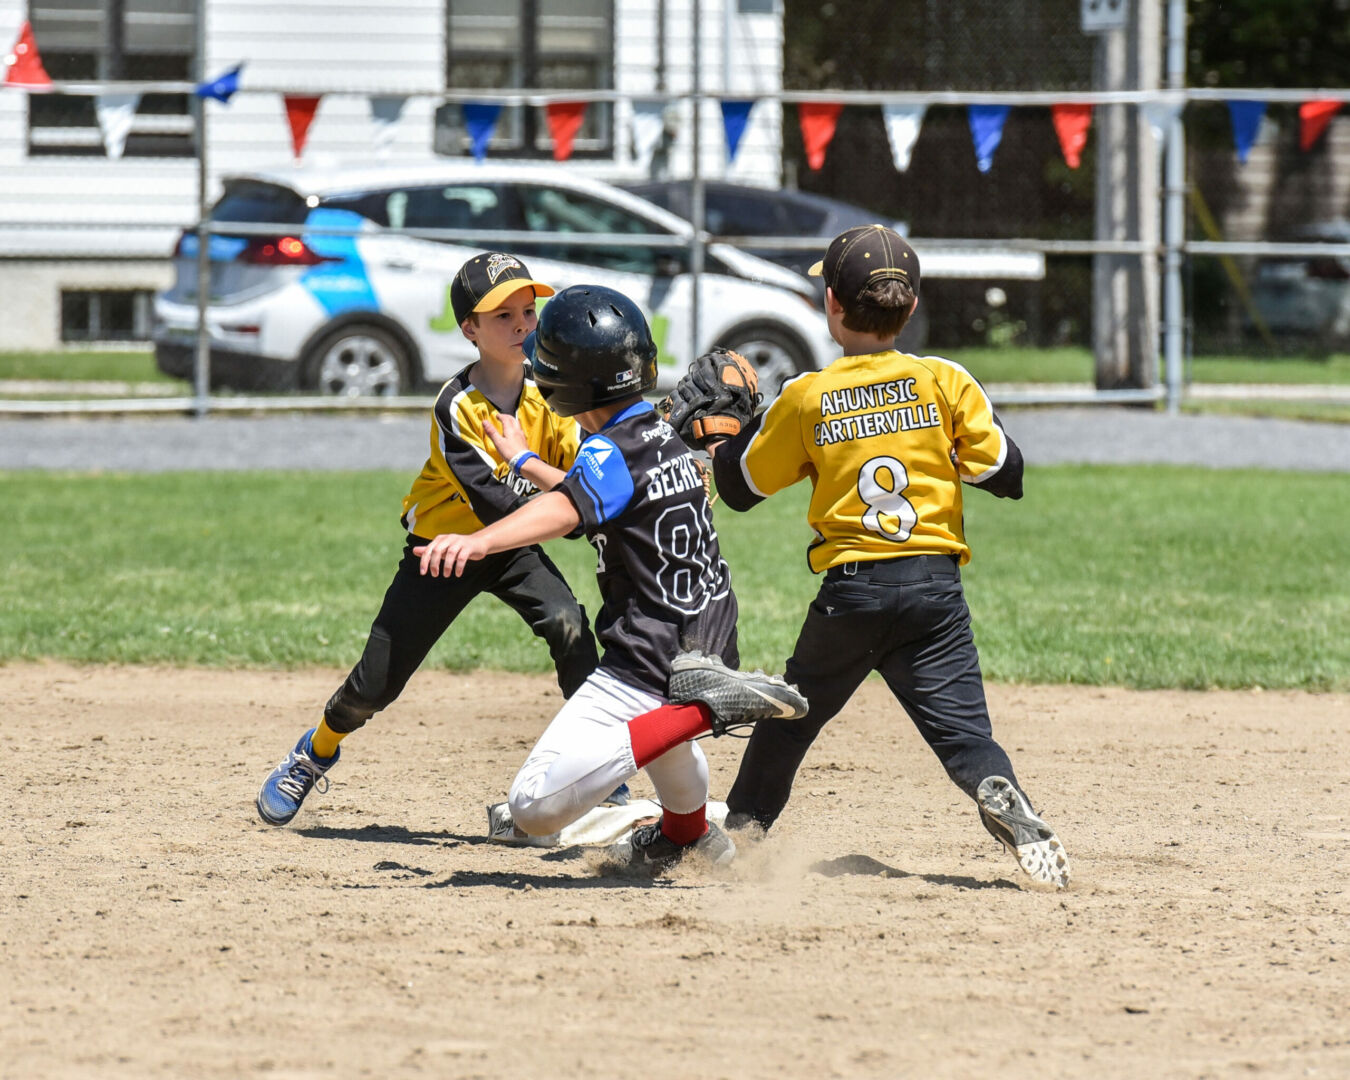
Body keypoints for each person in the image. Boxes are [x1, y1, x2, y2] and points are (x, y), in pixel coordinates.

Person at [692, 224, 1071, 888]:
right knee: (964, 734)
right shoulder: (945, 380)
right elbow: (1007, 473)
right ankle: (1000, 792)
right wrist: (948, 445)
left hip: (853, 593)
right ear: (913, 306)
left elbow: (740, 488)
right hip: (934, 591)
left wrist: (729, 435)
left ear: (832, 306)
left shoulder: (807, 395)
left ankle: (742, 829)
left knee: (792, 718)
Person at [415, 284, 808, 870]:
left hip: (647, 655)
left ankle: (703, 711)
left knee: (532, 806)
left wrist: (478, 540)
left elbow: (567, 510)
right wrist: (523, 460)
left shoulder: (609, 452)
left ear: (564, 383)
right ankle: (685, 833)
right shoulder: (656, 438)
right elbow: (594, 492)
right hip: (703, 638)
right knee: (666, 750)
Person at [257, 252, 603, 826]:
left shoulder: (551, 395)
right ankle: (314, 752)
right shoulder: (456, 407)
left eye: (528, 310)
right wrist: (578, 508)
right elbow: (498, 502)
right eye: (502, 316)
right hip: (442, 550)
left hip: (511, 546)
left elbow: (581, 468)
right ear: (469, 329)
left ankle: (599, 768)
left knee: (569, 626)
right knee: (374, 685)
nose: (522, 324)